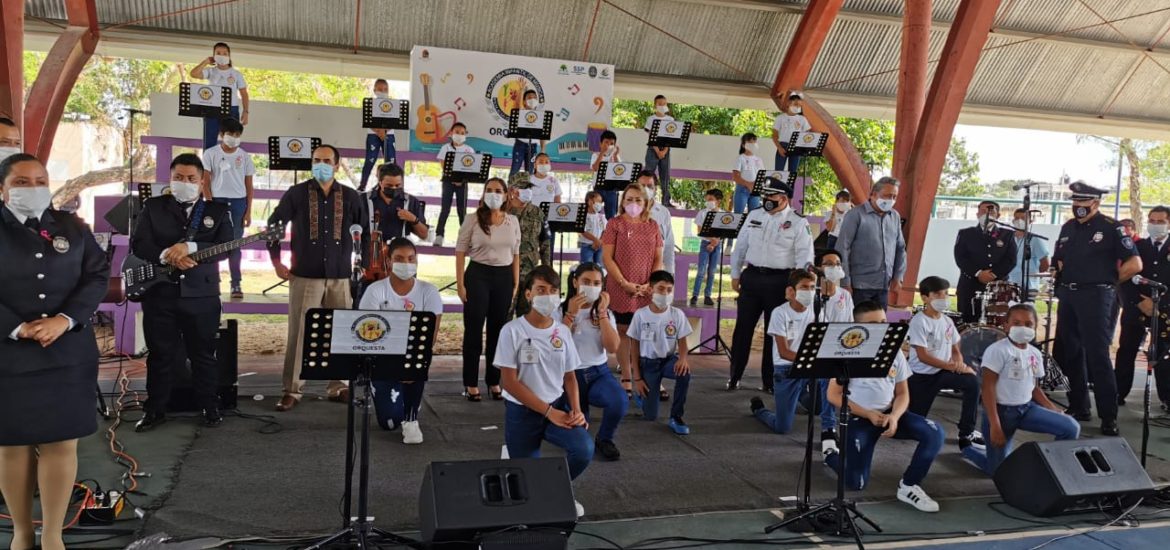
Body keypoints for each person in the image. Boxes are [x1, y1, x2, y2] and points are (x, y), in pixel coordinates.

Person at [0, 153, 110, 550]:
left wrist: (65, 319)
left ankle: (52, 536)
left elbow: (97, 275)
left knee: (61, 444)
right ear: (2, 189)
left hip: (67, 351)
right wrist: (17, 327)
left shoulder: (71, 226)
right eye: (21, 182)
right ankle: (22, 533)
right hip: (9, 353)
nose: (33, 188)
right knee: (12, 446)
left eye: (39, 180)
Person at [132, 153, 233, 430]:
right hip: (160, 295)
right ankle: (155, 409)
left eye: (191, 179)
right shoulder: (153, 207)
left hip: (202, 296)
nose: (184, 183)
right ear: (170, 178)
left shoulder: (217, 211)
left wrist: (192, 248)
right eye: (179, 178)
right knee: (160, 355)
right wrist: (167, 254)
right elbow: (139, 244)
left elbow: (229, 246)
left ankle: (210, 406)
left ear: (202, 182)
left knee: (203, 354)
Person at [267, 144, 366, 412]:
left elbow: (364, 232)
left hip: (340, 276)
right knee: (299, 333)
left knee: (342, 333)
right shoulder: (296, 194)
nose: (320, 164)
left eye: (326, 160)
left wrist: (364, 264)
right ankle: (292, 390)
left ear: (336, 165)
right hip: (304, 275)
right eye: (316, 160)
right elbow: (274, 226)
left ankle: (339, 385)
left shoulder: (350, 197)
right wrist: (276, 262)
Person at [823, 301, 945, 513]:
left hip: (890, 414)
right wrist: (867, 413)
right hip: (860, 418)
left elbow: (902, 393)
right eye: (873, 324)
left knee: (935, 432)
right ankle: (832, 454)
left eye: (883, 322)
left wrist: (895, 416)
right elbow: (833, 395)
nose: (881, 327)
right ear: (858, 326)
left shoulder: (894, 352)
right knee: (855, 483)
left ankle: (908, 486)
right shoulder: (847, 352)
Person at [496, 265, 592, 517]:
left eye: (553, 290)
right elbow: (509, 382)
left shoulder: (561, 331)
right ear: (528, 294)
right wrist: (548, 412)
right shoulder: (512, 331)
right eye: (541, 289)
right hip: (522, 412)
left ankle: (557, 490)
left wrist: (577, 410)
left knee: (583, 450)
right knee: (523, 487)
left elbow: (570, 376)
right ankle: (518, 460)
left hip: (557, 406)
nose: (548, 296)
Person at [1052, 181, 1142, 436]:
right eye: (1075, 202)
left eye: (1083, 202)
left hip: (1097, 296)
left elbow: (1135, 263)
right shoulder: (1068, 227)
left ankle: (1108, 415)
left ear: (1096, 203)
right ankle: (1079, 406)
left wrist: (1109, 282)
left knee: (1098, 356)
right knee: (1071, 353)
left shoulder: (1112, 229)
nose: (1078, 207)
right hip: (1069, 294)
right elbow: (1060, 259)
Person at [961, 305, 1081, 475]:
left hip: (1026, 409)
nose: (1022, 328)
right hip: (1001, 413)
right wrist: (995, 426)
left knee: (1070, 427)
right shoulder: (997, 350)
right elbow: (987, 388)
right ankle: (969, 451)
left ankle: (1054, 468)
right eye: (1016, 323)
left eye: (1028, 324)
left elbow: (1034, 387)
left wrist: (1053, 409)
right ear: (1006, 325)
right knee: (999, 472)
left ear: (1035, 327)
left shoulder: (1035, 353)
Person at [728, 179, 814, 392]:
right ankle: (734, 376)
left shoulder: (797, 222)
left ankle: (769, 381)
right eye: (765, 196)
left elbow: (804, 256)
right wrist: (735, 274)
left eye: (772, 197)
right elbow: (741, 246)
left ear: (784, 199)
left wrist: (796, 286)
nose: (767, 200)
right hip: (753, 277)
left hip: (780, 281)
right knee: (742, 330)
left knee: (773, 332)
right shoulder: (755, 215)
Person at [359, 238, 441, 445]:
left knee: (419, 360)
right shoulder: (375, 290)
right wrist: (396, 366)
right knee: (388, 423)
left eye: (411, 258)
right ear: (389, 261)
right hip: (383, 357)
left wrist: (409, 363)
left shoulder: (429, 291)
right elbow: (368, 335)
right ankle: (385, 389)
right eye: (399, 258)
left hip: (414, 355)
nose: (406, 263)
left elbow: (430, 338)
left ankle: (412, 417)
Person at [749, 269, 836, 448]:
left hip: (809, 367)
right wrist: (812, 361)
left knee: (822, 396)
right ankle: (760, 409)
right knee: (782, 427)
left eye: (812, 287)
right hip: (787, 368)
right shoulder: (780, 313)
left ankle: (829, 429)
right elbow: (784, 352)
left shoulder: (817, 311)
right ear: (790, 291)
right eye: (804, 287)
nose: (809, 291)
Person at [456, 177, 521, 401]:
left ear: (506, 195)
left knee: (498, 331)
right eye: (489, 190)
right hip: (478, 275)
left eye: (498, 190)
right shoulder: (473, 219)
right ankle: (471, 383)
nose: (493, 194)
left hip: (503, 277)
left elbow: (516, 254)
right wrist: (460, 284)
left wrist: (515, 283)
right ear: (483, 194)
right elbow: (460, 251)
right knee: (474, 330)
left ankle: (494, 380)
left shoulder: (512, 221)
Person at [906, 276, 985, 452]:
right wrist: (951, 366)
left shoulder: (947, 321)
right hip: (921, 376)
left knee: (972, 382)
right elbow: (922, 356)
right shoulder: (920, 321)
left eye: (945, 294)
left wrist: (958, 360)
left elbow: (955, 345)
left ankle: (966, 432)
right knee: (912, 426)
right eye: (937, 295)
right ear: (925, 298)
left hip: (941, 373)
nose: (943, 299)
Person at [601, 183, 663, 398]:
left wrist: (650, 284)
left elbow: (658, 259)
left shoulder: (653, 226)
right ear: (622, 202)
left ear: (645, 202)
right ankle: (626, 376)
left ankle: (647, 377)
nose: (633, 203)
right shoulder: (614, 224)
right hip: (620, 286)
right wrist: (623, 283)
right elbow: (607, 257)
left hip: (647, 287)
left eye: (638, 199)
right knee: (624, 331)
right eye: (629, 199)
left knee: (645, 334)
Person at [562, 263, 625, 460]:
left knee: (619, 401)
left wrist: (603, 314)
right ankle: (582, 437)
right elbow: (555, 346)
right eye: (586, 282)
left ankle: (605, 438)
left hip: (598, 373)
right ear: (575, 282)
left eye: (597, 283)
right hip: (569, 377)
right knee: (579, 432)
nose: (591, 287)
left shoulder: (604, 312)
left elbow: (613, 347)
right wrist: (570, 314)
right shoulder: (559, 310)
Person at [629, 270, 693, 434]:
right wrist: (637, 378)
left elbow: (683, 341)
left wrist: (683, 359)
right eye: (661, 289)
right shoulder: (640, 315)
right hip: (648, 364)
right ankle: (643, 398)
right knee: (650, 416)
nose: (665, 293)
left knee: (684, 373)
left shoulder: (677, 314)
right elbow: (634, 347)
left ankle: (676, 416)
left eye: (669, 290)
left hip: (668, 360)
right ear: (650, 290)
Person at [201, 116, 254, 299]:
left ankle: (236, 283)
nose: (234, 137)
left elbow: (249, 185)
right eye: (231, 134)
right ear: (222, 134)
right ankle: (212, 283)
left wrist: (248, 210)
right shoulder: (210, 154)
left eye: (237, 134)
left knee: (234, 245)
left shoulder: (244, 156)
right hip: (216, 202)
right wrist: (210, 205)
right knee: (213, 244)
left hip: (238, 203)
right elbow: (205, 183)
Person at [1124, 206, 1170, 410]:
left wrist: (1160, 303)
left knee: (1163, 353)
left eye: (1160, 222)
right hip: (1137, 306)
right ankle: (1118, 391)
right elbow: (1125, 278)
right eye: (1152, 221)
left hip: (1165, 309)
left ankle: (1167, 398)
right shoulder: (1138, 246)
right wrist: (1139, 302)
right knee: (1127, 349)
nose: (1155, 225)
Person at [838, 176, 906, 310]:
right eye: (887, 196)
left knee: (879, 326)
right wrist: (845, 281)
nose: (891, 200)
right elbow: (842, 248)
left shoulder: (895, 216)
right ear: (874, 195)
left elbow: (900, 248)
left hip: (883, 286)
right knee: (858, 327)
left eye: (894, 197)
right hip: (859, 286)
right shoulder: (855, 215)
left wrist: (898, 276)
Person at [953, 200, 1018, 324]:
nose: (986, 214)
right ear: (977, 214)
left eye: (991, 211)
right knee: (968, 322)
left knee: (995, 323)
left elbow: (1010, 259)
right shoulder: (966, 233)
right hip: (970, 286)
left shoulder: (1007, 235)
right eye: (983, 211)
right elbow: (960, 258)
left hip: (997, 288)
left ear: (998, 215)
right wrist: (978, 273)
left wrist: (993, 274)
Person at [189, 42, 249, 151]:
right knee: (210, 141)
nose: (222, 55)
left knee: (231, 140)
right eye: (218, 53)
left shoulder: (236, 74)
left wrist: (246, 111)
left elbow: (244, 93)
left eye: (225, 53)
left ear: (229, 56)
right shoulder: (211, 71)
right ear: (214, 55)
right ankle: (208, 166)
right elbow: (193, 74)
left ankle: (230, 164)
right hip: (212, 108)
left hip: (231, 109)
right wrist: (206, 61)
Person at [507, 172, 547, 316]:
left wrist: (546, 268)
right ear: (512, 190)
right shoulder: (503, 211)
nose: (527, 190)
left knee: (526, 314)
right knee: (504, 313)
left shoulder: (537, 212)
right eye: (523, 187)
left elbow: (545, 242)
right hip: (506, 272)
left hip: (530, 272)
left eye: (529, 187)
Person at [365, 163, 427, 244]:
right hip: (371, 252)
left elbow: (424, 235)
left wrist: (413, 219)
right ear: (380, 183)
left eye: (398, 185)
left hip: (399, 253)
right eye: (389, 185)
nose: (394, 188)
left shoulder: (411, 202)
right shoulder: (364, 200)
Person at [433, 122, 473, 247]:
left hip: (463, 183)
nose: (459, 135)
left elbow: (471, 167)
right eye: (457, 132)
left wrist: (461, 180)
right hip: (448, 182)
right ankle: (439, 235)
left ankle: (465, 237)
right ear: (451, 133)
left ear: (465, 135)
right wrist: (451, 178)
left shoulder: (469, 150)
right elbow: (443, 164)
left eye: (462, 133)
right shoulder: (446, 148)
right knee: (445, 209)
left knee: (462, 210)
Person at [359, 78, 398, 192]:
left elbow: (395, 121)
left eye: (385, 89)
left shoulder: (392, 104)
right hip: (373, 134)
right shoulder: (370, 104)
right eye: (380, 89)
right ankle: (362, 185)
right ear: (375, 90)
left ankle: (392, 185)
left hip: (389, 135)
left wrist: (384, 131)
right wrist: (379, 131)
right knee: (370, 160)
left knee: (390, 161)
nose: (383, 91)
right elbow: (367, 120)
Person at [691, 188, 724, 306]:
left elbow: (723, 233)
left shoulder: (722, 214)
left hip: (717, 246)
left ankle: (707, 295)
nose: (708, 201)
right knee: (701, 271)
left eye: (711, 199)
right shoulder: (702, 213)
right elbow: (699, 231)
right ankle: (695, 295)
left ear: (718, 201)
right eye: (707, 199)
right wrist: (710, 241)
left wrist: (715, 243)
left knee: (712, 271)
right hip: (705, 244)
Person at [640, 172, 676, 277]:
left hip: (656, 267)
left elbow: (669, 243)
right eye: (642, 186)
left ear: (655, 189)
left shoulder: (663, 212)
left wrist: (670, 271)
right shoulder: (627, 210)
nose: (646, 189)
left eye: (650, 186)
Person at [529, 153, 561, 266]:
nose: (544, 164)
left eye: (546, 162)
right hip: (531, 221)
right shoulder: (528, 180)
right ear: (535, 165)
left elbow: (558, 200)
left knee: (547, 254)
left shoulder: (554, 180)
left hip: (549, 221)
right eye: (541, 162)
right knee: (530, 253)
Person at [1006, 208, 1050, 288]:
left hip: (1028, 285)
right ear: (1013, 221)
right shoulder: (1007, 238)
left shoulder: (1035, 239)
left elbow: (1045, 264)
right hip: (1009, 284)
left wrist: (1033, 276)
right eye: (1016, 218)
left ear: (1030, 221)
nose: (1019, 221)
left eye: (1023, 218)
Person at [643, 95, 674, 207]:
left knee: (665, 175)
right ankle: (647, 198)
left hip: (666, 149)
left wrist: (664, 151)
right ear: (655, 105)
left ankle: (666, 201)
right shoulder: (651, 119)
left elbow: (671, 137)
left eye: (664, 103)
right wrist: (657, 150)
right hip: (653, 149)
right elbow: (650, 136)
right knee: (649, 173)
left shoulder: (670, 120)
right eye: (660, 103)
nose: (662, 106)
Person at [509, 90, 546, 177]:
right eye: (529, 98)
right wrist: (521, 90)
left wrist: (543, 149)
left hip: (533, 147)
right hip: (520, 145)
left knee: (530, 172)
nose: (532, 99)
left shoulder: (540, 116)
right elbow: (516, 106)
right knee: (515, 169)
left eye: (534, 97)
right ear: (524, 102)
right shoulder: (521, 112)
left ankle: (528, 190)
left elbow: (543, 135)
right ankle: (510, 189)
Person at [771, 91, 810, 172]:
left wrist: (802, 146)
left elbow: (807, 135)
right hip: (783, 146)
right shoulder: (780, 118)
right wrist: (779, 147)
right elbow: (774, 135)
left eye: (799, 105)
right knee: (779, 171)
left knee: (793, 172)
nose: (797, 107)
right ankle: (778, 185)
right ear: (788, 103)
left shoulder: (802, 119)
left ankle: (790, 185)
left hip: (796, 147)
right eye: (796, 104)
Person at [590, 130, 622, 219]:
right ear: (600, 143)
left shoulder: (615, 156)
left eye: (611, 143)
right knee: (595, 210)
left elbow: (620, 171)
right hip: (598, 187)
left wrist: (615, 156)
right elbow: (595, 168)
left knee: (611, 214)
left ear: (614, 146)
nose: (608, 145)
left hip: (611, 189)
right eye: (606, 142)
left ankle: (610, 230)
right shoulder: (595, 155)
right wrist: (602, 153)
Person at [731, 132, 764, 214]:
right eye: (750, 142)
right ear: (743, 145)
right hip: (742, 190)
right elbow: (735, 177)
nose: (753, 144)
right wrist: (748, 184)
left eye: (754, 142)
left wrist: (755, 185)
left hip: (755, 191)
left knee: (753, 217)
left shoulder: (759, 160)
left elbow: (762, 176)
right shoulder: (740, 158)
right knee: (738, 215)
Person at [579, 191, 607, 266]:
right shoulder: (583, 216)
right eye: (599, 201)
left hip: (600, 246)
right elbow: (583, 231)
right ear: (590, 202)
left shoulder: (601, 216)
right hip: (587, 246)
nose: (600, 204)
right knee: (587, 267)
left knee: (599, 267)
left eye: (601, 202)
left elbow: (605, 230)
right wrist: (595, 240)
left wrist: (600, 241)